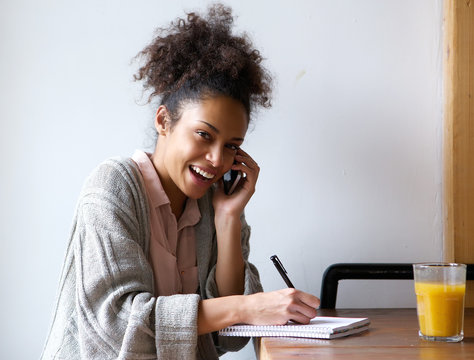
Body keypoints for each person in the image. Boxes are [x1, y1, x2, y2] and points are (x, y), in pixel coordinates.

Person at [41, 4, 320, 360]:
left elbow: (229, 338)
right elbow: (117, 326)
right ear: (163, 121)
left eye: (232, 146)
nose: (218, 160)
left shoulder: (214, 199)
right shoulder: (112, 187)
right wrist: (246, 307)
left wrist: (227, 219)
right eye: (204, 135)